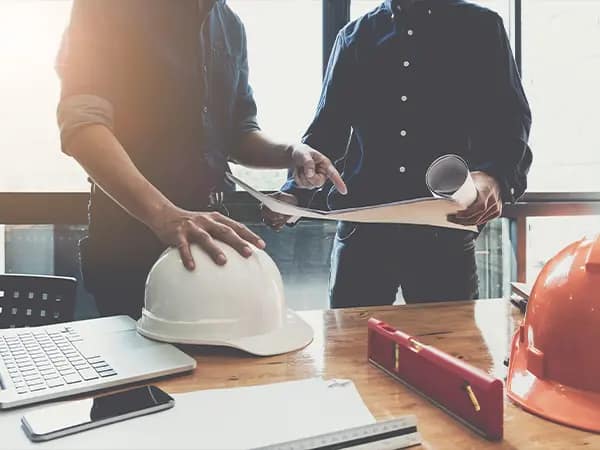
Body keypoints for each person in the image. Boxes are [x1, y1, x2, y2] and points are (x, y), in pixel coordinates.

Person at [56, 0, 347, 319]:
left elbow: (238, 132)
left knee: (221, 364)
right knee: (141, 363)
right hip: (129, 244)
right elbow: (82, 126)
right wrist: (164, 215)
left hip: (211, 240)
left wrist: (291, 153)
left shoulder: (230, 25)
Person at [262, 0, 532, 308]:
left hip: (444, 233)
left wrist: (495, 177)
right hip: (361, 238)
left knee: (448, 350)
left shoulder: (482, 28)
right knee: (351, 349)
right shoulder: (353, 37)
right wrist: (293, 195)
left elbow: (510, 120)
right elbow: (327, 132)